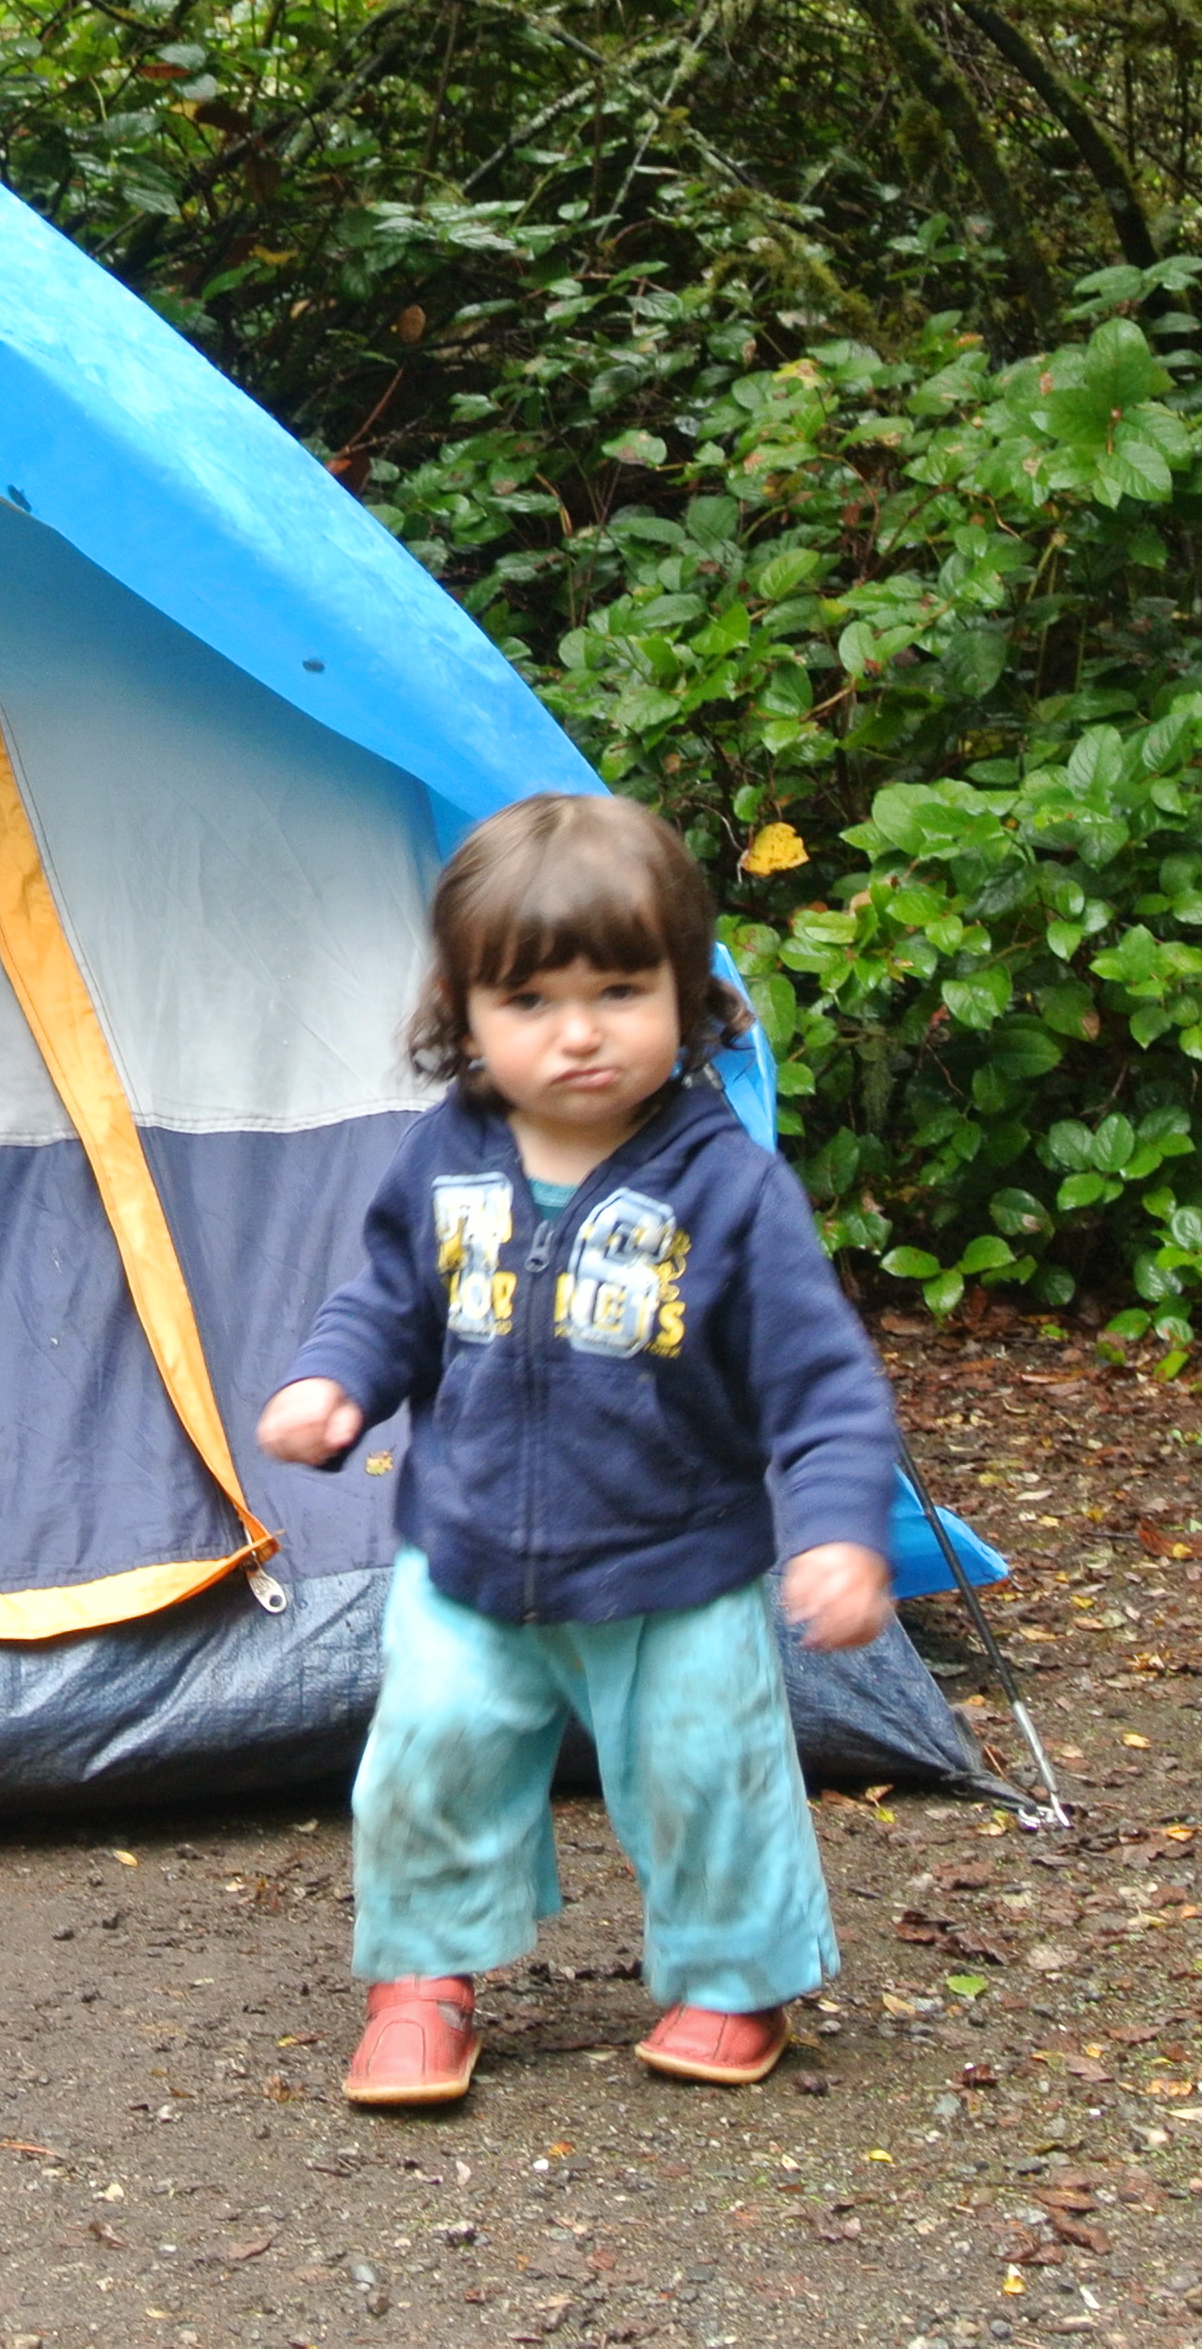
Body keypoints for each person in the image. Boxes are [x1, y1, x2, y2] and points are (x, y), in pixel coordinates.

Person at [258, 792, 902, 2105]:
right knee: (430, 1754)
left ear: (691, 990)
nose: (581, 1034)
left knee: (704, 1771)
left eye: (620, 989)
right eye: (532, 1003)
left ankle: (732, 1978)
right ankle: (424, 1978)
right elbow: (389, 1295)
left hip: (679, 1566)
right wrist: (337, 1384)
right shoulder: (448, 1157)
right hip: (469, 1553)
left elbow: (821, 1382)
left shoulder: (725, 1186)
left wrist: (840, 1528)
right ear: (465, 1014)